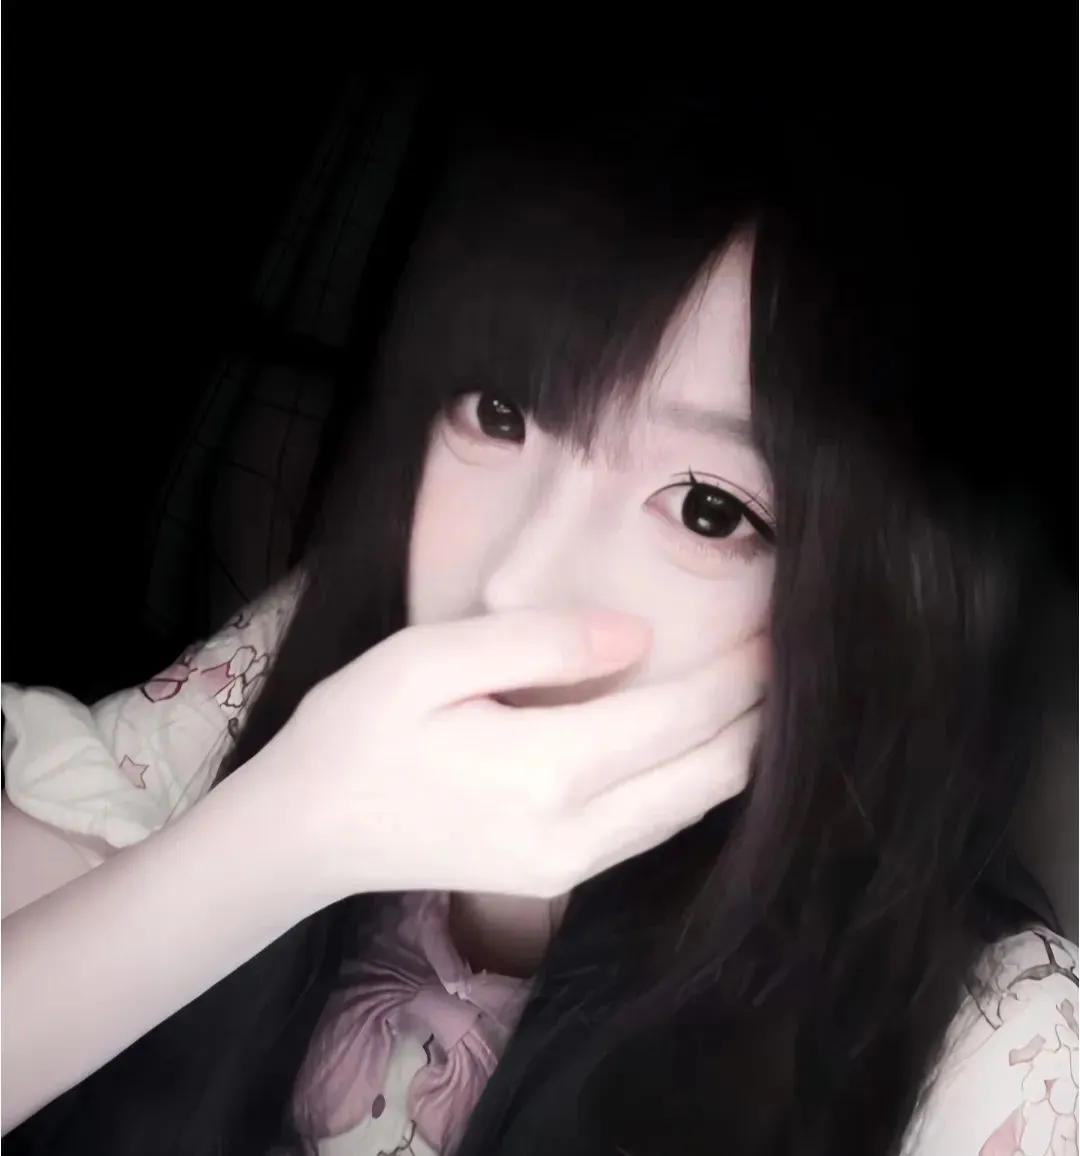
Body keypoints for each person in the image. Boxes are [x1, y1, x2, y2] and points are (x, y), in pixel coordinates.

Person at [2, 102, 1076, 1156]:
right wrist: (285, 840)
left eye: (708, 509)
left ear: (886, 611)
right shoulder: (327, 679)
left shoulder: (1006, 1063)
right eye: (499, 413)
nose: (514, 580)